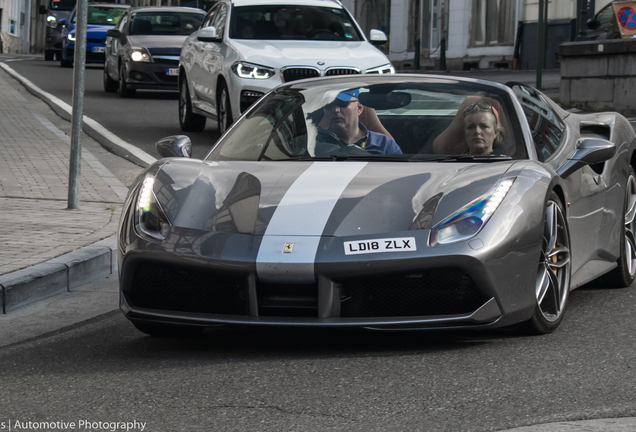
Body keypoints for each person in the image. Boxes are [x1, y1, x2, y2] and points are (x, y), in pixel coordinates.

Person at [317, 89, 402, 155]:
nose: (335, 110)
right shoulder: (313, 142)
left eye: (342, 103)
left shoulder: (384, 145)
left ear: (359, 108)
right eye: (328, 104)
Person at [432, 96, 506, 155]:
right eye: (471, 127)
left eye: (484, 126)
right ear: (465, 132)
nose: (477, 131)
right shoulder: (453, 163)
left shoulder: (505, 164)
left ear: (495, 132)